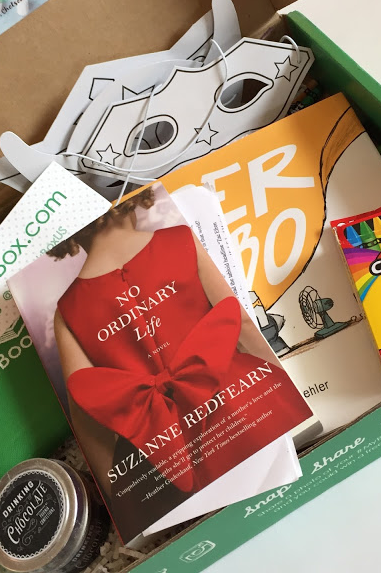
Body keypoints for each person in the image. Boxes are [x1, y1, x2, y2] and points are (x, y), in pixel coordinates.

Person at [48, 187, 312, 540]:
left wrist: (118, 496)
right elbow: (243, 323)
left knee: (210, 536)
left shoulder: (67, 309)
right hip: (231, 400)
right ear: (130, 198)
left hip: (157, 446)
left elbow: (84, 411)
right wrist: (286, 388)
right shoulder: (180, 240)